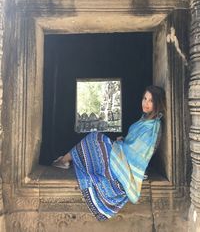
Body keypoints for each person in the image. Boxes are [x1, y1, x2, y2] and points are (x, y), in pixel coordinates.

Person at [52, 85, 166, 221]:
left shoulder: (152, 126)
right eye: (144, 98)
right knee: (96, 138)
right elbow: (134, 144)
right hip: (122, 156)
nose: (145, 103)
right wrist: (123, 140)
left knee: (95, 137)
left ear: (157, 103)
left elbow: (136, 155)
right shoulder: (145, 120)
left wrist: (119, 144)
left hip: (124, 167)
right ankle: (65, 160)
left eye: (151, 101)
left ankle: (63, 161)